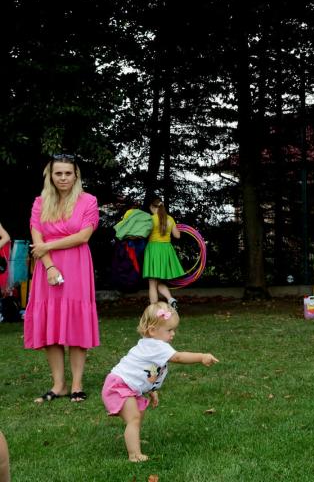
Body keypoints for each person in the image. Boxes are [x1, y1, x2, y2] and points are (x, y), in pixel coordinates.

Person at [102, 302, 219, 462]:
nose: (173, 334)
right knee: (134, 417)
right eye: (169, 330)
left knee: (138, 415)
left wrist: (152, 390)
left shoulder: (149, 345)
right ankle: (134, 454)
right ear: (152, 331)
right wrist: (201, 357)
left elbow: (147, 370)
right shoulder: (156, 345)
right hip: (119, 386)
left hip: (124, 385)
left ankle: (134, 439)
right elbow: (178, 357)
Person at [26, 154, 100, 403]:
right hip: (47, 268)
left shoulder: (88, 201)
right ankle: (59, 384)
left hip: (77, 266)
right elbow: (37, 239)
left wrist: (48, 246)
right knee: (51, 323)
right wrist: (49, 267)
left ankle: (77, 383)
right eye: (58, 173)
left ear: (76, 175)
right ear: (50, 175)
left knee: (76, 323)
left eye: (68, 173)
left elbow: (83, 236)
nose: (63, 178)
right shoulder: (40, 202)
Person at [143, 197, 185, 310]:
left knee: (152, 283)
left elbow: (143, 234)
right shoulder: (170, 219)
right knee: (158, 281)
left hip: (154, 249)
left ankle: (154, 311)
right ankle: (171, 299)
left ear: (152, 207)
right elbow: (177, 235)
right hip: (166, 250)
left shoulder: (150, 219)